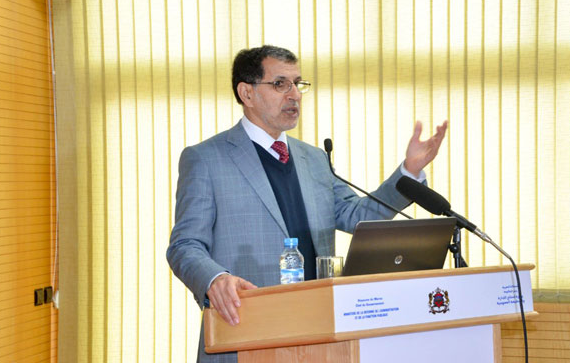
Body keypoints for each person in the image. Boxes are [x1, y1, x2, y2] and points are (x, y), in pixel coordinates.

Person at [166, 45, 448, 363]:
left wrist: (408, 171)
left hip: (318, 337)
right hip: (245, 334)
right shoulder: (206, 159)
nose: (295, 95)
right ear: (247, 93)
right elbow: (184, 246)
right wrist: (215, 279)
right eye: (280, 84)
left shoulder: (313, 158)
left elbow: (359, 215)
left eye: (298, 84)